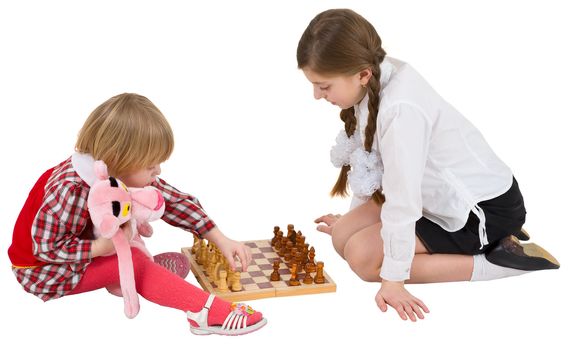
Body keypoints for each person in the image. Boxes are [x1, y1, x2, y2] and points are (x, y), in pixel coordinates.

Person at [296, 9, 559, 322]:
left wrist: (393, 279)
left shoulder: (401, 110)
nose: (316, 95)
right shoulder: (374, 81)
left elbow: (403, 201)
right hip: (437, 199)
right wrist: (354, 220)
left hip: (481, 210)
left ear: (363, 74)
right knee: (342, 238)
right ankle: (488, 241)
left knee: (363, 261)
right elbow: (376, 168)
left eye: (324, 86)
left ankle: (495, 262)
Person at [8, 93, 267, 335]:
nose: (158, 173)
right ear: (119, 159)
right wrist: (100, 247)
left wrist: (220, 239)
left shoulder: (114, 173)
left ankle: (132, 277)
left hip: (74, 254)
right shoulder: (71, 190)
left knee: (130, 228)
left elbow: (173, 201)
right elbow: (45, 249)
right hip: (43, 271)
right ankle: (202, 311)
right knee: (132, 260)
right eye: (151, 166)